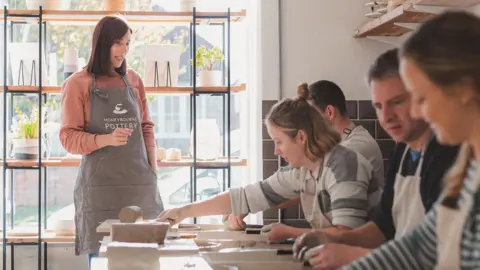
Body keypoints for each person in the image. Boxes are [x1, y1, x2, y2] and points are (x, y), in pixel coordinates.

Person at [313, 11, 480, 269]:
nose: (418, 112)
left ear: (464, 89)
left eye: (421, 97)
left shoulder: (450, 157)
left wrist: (350, 257)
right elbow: (421, 246)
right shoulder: (468, 169)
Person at [291, 48, 460, 268]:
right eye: (379, 107)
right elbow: (383, 225)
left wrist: (351, 257)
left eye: (397, 102)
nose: (386, 117)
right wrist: (332, 238)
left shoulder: (445, 154)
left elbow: (436, 249)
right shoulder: (402, 151)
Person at [157, 84, 382, 241]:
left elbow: (347, 236)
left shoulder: (344, 165)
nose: (276, 151)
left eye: (279, 142)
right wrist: (183, 211)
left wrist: (290, 232)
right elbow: (245, 197)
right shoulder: (305, 169)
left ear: (301, 137)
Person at [59, 15, 164, 266]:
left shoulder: (134, 80)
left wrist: (153, 165)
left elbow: (146, 127)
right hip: (99, 192)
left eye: (128, 43)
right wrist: (105, 138)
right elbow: (68, 137)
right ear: (102, 43)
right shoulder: (77, 84)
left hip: (139, 187)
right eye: (118, 43)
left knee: (146, 260)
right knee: (103, 261)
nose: (124, 50)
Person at [224, 80, 385, 237]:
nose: (306, 122)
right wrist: (247, 202)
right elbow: (286, 183)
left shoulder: (352, 151)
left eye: (310, 116)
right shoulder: (325, 152)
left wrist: (251, 204)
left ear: (329, 112)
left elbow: (347, 233)